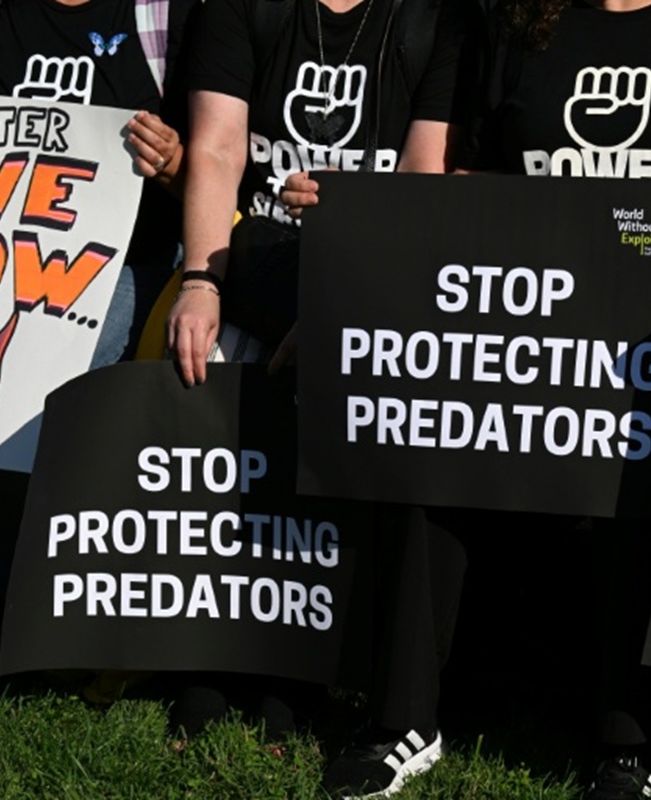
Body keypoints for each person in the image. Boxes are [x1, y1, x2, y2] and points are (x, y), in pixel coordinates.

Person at [440, 0, 651, 797]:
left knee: (642, 484)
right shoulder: (513, 22)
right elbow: (474, 168)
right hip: (530, 335)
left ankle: (630, 742)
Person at [169, 0, 479, 795]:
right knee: (206, 368)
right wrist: (203, 278)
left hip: (377, 269)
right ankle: (211, 651)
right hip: (254, 252)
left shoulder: (436, 19)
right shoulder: (245, 11)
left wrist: (341, 292)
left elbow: (423, 180)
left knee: (351, 376)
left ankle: (299, 667)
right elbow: (215, 147)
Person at [0, 0, 195, 673]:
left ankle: (43, 612)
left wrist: (177, 163)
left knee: (50, 390)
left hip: (116, 271)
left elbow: (219, 163)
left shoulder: (164, 18)